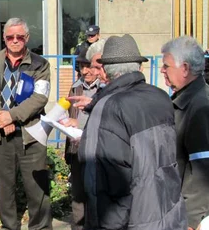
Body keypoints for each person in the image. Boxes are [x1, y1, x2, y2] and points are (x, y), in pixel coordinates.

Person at [77, 34, 186, 229]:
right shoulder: (161, 96)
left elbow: (101, 182)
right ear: (139, 67)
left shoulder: (108, 107)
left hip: (135, 219)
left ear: (106, 71)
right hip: (168, 211)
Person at [0, 17, 52, 230]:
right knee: (5, 187)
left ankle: (40, 227)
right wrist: (1, 116)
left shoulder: (40, 63)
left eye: (20, 36)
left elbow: (40, 98)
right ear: (4, 38)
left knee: (37, 188)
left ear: (27, 37)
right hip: (1, 134)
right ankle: (10, 226)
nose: (15, 40)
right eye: (10, 36)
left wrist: (12, 116)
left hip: (31, 134)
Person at [161, 36, 209, 230]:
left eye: (166, 66)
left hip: (194, 218)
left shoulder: (201, 106)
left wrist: (189, 220)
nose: (162, 70)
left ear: (185, 68)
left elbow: (204, 168)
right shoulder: (187, 98)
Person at [62, 47, 100, 230]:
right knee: (78, 195)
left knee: (97, 196)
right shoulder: (76, 87)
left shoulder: (105, 89)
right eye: (81, 66)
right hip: (77, 150)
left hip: (98, 152)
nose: (85, 71)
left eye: (89, 67)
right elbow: (72, 117)